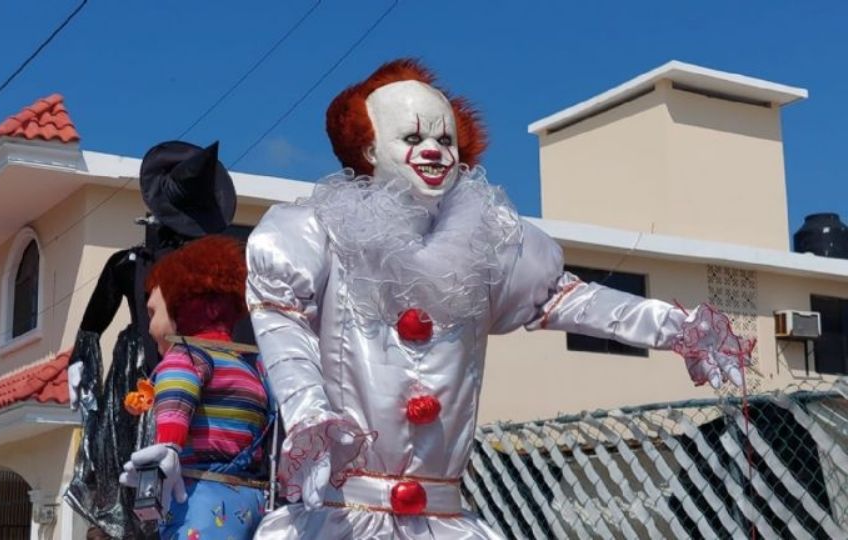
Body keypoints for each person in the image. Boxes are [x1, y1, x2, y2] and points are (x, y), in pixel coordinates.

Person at [246, 59, 753, 539]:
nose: (433, 151)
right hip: (346, 520)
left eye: (444, 139)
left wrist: (677, 328)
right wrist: (309, 411)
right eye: (412, 136)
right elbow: (281, 319)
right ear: (369, 148)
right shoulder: (321, 233)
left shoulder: (488, 246)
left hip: (442, 519)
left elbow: (572, 300)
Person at [64, 141, 238, 538]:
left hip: (192, 374)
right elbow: (93, 322)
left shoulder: (210, 276)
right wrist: (80, 362)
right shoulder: (127, 264)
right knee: (127, 465)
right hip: (134, 375)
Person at [120, 235, 275, 540]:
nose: (149, 326)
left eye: (153, 312)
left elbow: (178, 391)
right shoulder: (252, 366)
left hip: (200, 498)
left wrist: (168, 444)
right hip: (255, 500)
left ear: (186, 305)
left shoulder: (189, 355)